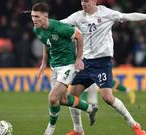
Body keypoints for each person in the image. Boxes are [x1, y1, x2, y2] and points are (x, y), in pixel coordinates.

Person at [60, 0, 146, 135]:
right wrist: (42, 19)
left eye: (86, 1)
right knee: (71, 97)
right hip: (85, 62)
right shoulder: (77, 16)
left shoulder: (106, 13)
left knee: (107, 98)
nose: (83, 3)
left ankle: (135, 125)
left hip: (101, 63)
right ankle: (78, 130)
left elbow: (127, 16)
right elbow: (60, 23)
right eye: (82, 0)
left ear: (94, 1)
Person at [28, 2, 98, 135]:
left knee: (53, 97)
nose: (33, 20)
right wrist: (44, 63)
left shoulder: (60, 28)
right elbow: (46, 42)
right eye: (32, 16)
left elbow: (79, 36)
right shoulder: (37, 29)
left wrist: (78, 58)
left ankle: (50, 128)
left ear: (45, 16)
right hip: (54, 66)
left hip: (68, 65)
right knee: (63, 100)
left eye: (37, 16)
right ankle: (90, 108)